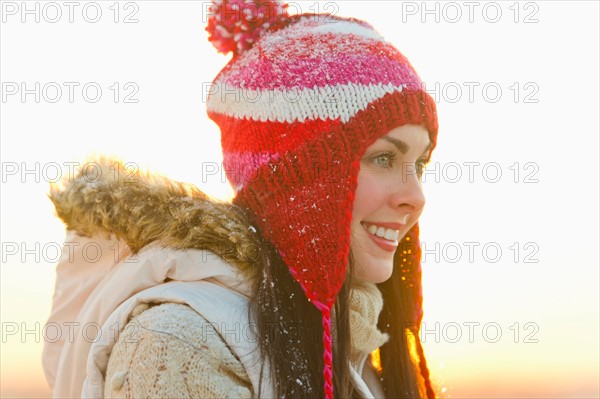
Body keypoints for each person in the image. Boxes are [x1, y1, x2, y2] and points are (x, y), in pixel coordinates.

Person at [42, 1, 439, 398]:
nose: (415, 198)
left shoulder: (358, 352)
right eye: (383, 158)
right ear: (298, 181)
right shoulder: (182, 344)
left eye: (418, 164)